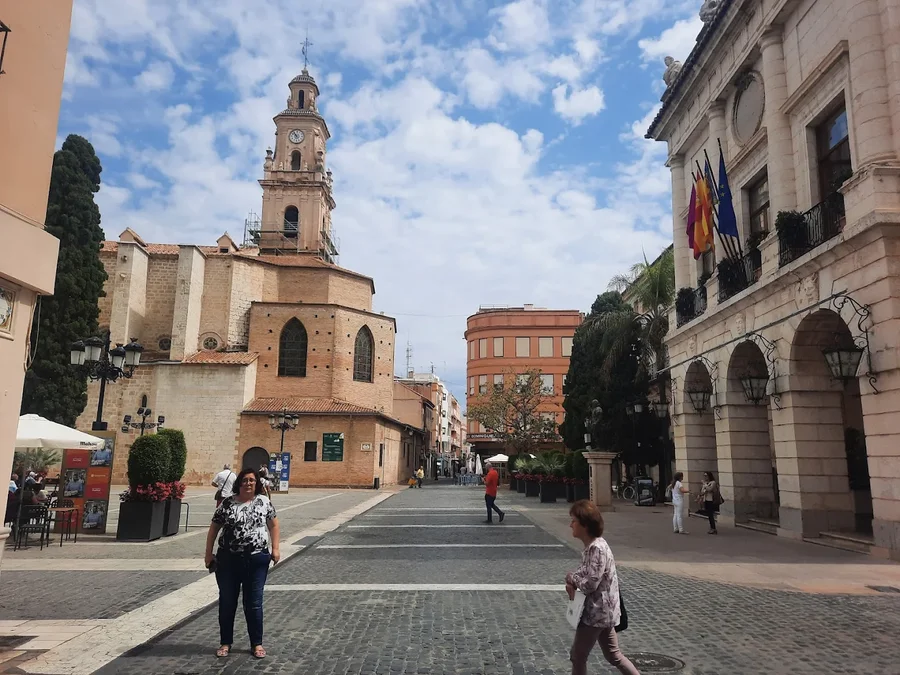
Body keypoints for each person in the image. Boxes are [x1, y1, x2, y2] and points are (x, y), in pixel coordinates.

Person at [204, 468, 280, 660]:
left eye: (252, 480)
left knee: (254, 603)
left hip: (257, 559)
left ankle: (257, 643)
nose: (248, 483)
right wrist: (208, 554)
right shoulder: (227, 503)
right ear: (239, 483)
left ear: (257, 483)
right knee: (227, 602)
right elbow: (214, 528)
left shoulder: (264, 501)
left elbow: (273, 525)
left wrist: (276, 548)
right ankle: (225, 642)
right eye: (245, 480)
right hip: (228, 560)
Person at [566, 500, 640, 675]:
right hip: (604, 610)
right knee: (614, 655)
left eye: (574, 521)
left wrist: (572, 578)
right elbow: (585, 573)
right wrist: (574, 578)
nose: (570, 525)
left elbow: (590, 584)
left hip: (596, 613)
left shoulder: (597, 549)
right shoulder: (593, 546)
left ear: (585, 524)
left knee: (578, 656)